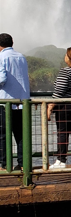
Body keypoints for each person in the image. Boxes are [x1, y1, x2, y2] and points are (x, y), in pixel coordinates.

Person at [0, 33, 29, 171]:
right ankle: (23, 164)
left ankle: (5, 164)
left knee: (3, 135)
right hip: (22, 102)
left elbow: (1, 79)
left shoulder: (1, 57)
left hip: (5, 102)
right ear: (12, 43)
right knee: (21, 134)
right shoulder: (21, 56)